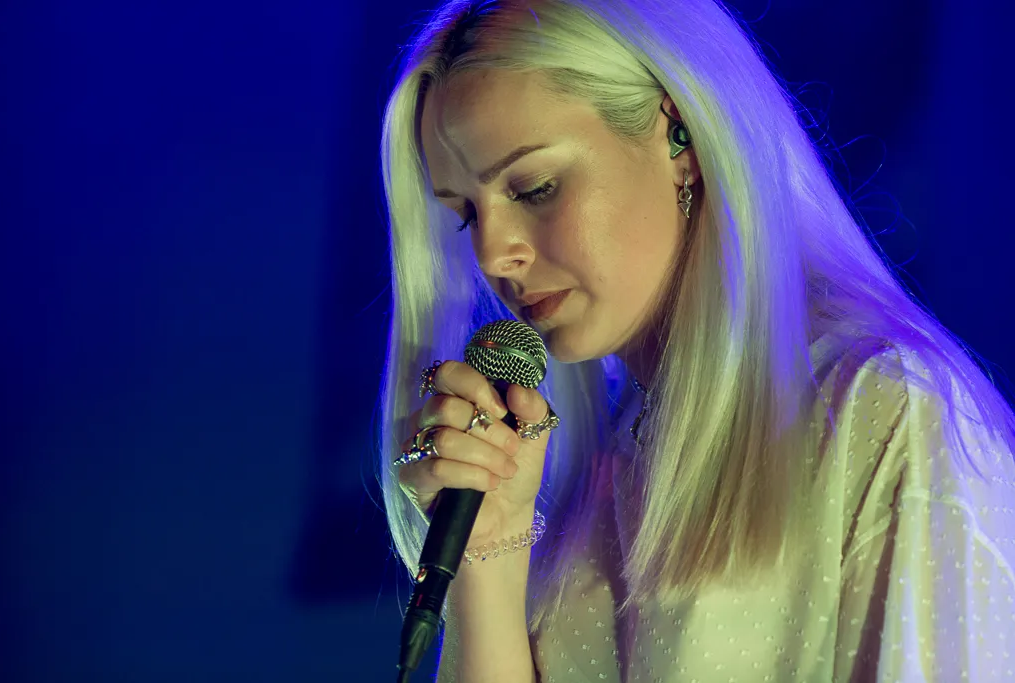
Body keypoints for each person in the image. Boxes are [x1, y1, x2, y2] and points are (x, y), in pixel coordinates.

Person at [377, 1, 1015, 681]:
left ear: (680, 138)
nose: (493, 252)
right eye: (466, 215)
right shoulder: (592, 470)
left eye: (535, 188)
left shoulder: (884, 414)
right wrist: (489, 551)